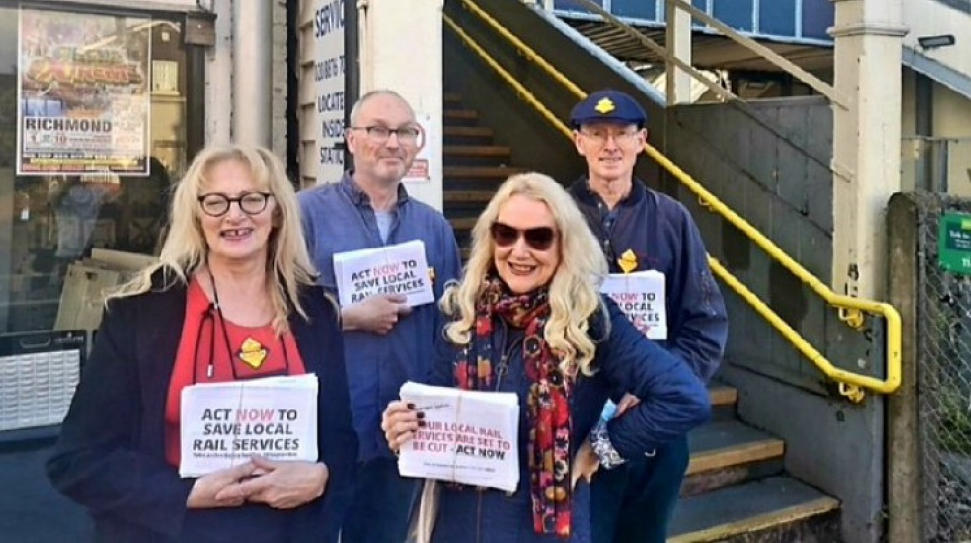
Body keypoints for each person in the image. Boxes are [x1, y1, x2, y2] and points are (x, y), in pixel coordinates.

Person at [47, 144, 357, 543]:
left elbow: (342, 443)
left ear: (277, 211)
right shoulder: (141, 315)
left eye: (252, 199)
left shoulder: (314, 311)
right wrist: (185, 494)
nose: (235, 215)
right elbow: (78, 460)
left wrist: (322, 476)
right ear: (196, 215)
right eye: (216, 202)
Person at [381, 172, 712, 542]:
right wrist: (403, 425)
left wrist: (602, 447)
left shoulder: (592, 320)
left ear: (563, 245)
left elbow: (685, 398)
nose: (519, 251)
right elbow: (435, 404)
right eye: (506, 234)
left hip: (545, 531)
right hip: (458, 527)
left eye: (538, 238)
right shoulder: (464, 313)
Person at [297, 90, 462, 543]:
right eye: (378, 130)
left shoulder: (434, 227)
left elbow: (451, 327)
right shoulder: (304, 214)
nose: (393, 142)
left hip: (402, 430)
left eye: (405, 132)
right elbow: (276, 308)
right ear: (351, 139)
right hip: (325, 425)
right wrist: (346, 316)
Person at [567, 90, 728, 543]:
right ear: (578, 141)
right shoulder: (554, 215)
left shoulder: (672, 219)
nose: (610, 145)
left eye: (622, 133)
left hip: (653, 421)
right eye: (597, 133)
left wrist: (660, 384)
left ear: (642, 141)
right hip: (577, 421)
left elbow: (704, 324)